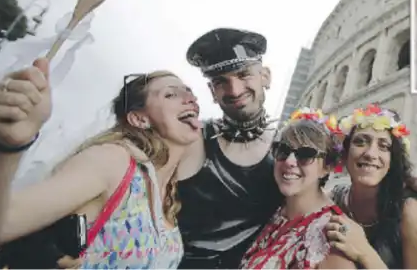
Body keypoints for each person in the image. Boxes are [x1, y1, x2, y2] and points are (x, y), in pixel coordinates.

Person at [0, 63, 202, 268]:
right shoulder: (115, 160)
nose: (190, 98)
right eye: (171, 94)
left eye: (189, 91)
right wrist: (8, 146)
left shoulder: (170, 198)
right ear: (139, 119)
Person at [176, 28, 282, 269]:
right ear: (213, 92)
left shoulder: (289, 149)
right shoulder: (190, 137)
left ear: (265, 76)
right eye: (221, 82)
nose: (234, 91)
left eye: (244, 75)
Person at [239, 109, 355, 269]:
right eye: (283, 150)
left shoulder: (332, 236)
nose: (289, 161)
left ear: (327, 167)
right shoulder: (273, 209)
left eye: (306, 154)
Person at [325, 104, 417, 269]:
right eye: (360, 142)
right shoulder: (333, 200)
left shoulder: (408, 211)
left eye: (383, 146)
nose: (370, 154)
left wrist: (364, 252)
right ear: (345, 154)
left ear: (393, 160)